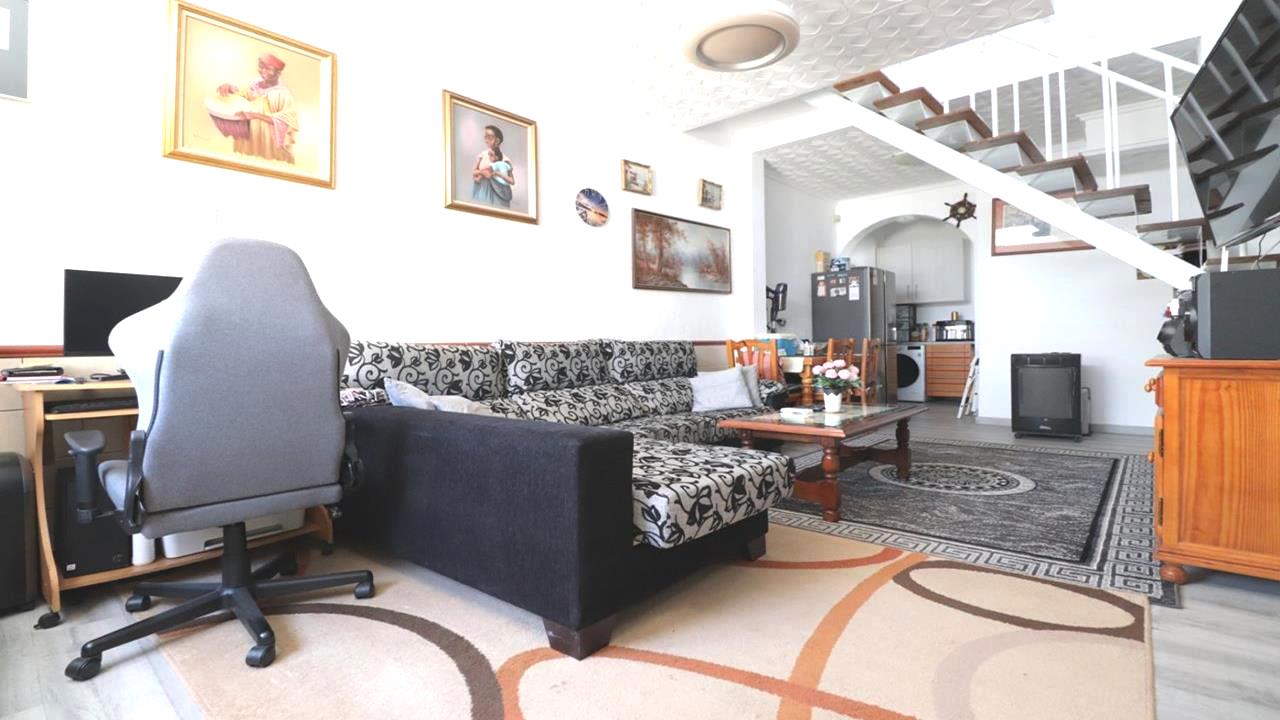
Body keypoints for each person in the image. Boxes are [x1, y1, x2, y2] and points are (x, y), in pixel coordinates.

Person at [212, 53, 298, 164]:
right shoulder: (255, 85)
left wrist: (254, 115)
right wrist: (229, 87)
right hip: (249, 135)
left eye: (268, 69)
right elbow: (243, 96)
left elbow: (286, 120)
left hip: (267, 140)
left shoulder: (283, 94)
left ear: (278, 73)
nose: (263, 71)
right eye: (261, 67)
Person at [472, 124, 515, 207]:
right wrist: (482, 173)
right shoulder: (483, 155)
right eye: (485, 137)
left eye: (489, 137)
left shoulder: (505, 159)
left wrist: (497, 174)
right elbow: (474, 172)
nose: (486, 140)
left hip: (499, 193)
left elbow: (512, 181)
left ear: (497, 140)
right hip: (482, 191)